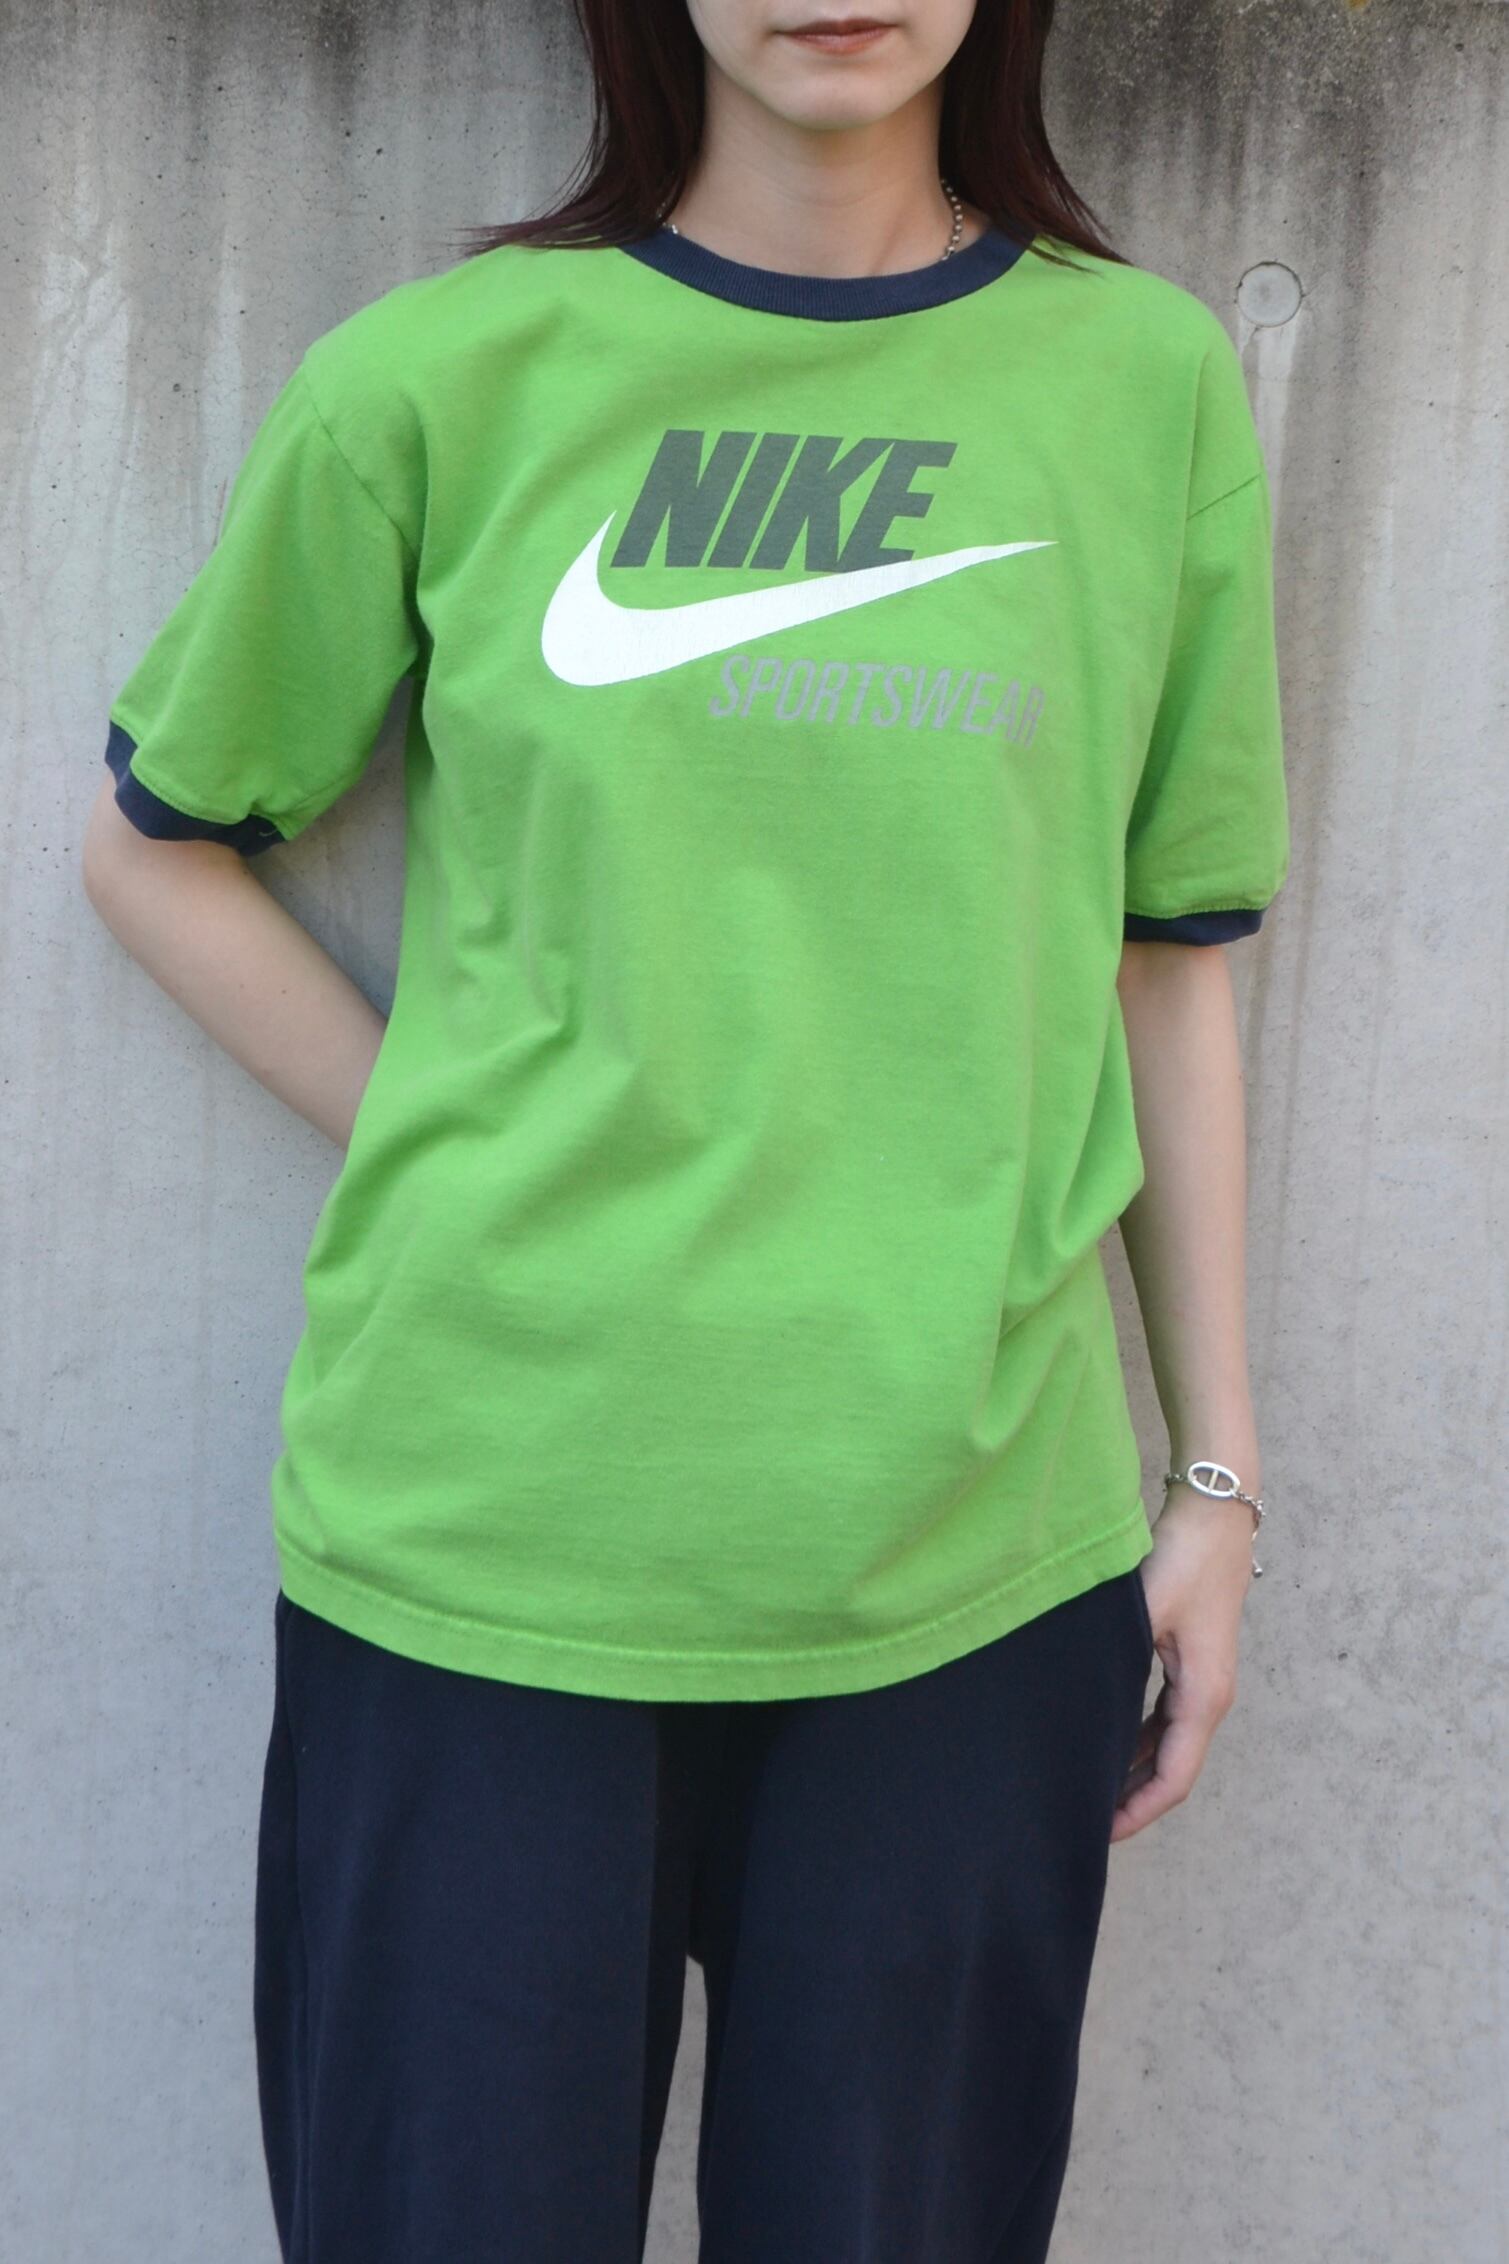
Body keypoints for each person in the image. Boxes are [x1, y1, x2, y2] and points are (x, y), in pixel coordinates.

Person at [79, 1, 1291, 2257]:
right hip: (486, 1543)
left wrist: (1214, 1478)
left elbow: (1164, 950)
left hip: (962, 1559)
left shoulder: (1141, 386)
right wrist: (456, 1127)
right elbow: (155, 847)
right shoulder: (437, 379)